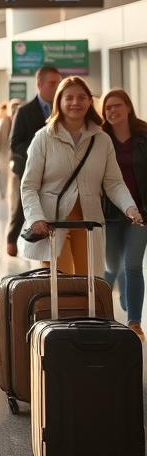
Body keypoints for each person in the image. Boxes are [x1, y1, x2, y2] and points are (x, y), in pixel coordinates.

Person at [19, 76, 143, 276]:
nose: (75, 102)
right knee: (61, 283)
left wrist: (130, 208)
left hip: (89, 223)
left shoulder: (102, 140)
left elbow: (114, 183)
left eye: (81, 97)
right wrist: (35, 217)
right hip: (51, 223)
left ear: (89, 101)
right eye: (69, 98)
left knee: (88, 282)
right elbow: (29, 186)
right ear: (59, 101)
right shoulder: (43, 138)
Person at [101, 89, 147, 339]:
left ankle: (135, 322)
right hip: (109, 215)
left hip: (139, 215)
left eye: (117, 105)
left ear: (128, 107)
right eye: (108, 107)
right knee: (112, 265)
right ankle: (107, 309)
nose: (112, 111)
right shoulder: (100, 139)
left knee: (132, 265)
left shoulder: (143, 136)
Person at [7, 66, 62, 257]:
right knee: (22, 206)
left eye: (59, 83)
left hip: (57, 172)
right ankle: (12, 238)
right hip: (31, 169)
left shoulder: (63, 109)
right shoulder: (24, 111)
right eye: (52, 83)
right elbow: (15, 143)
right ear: (39, 84)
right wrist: (39, 151)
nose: (57, 87)